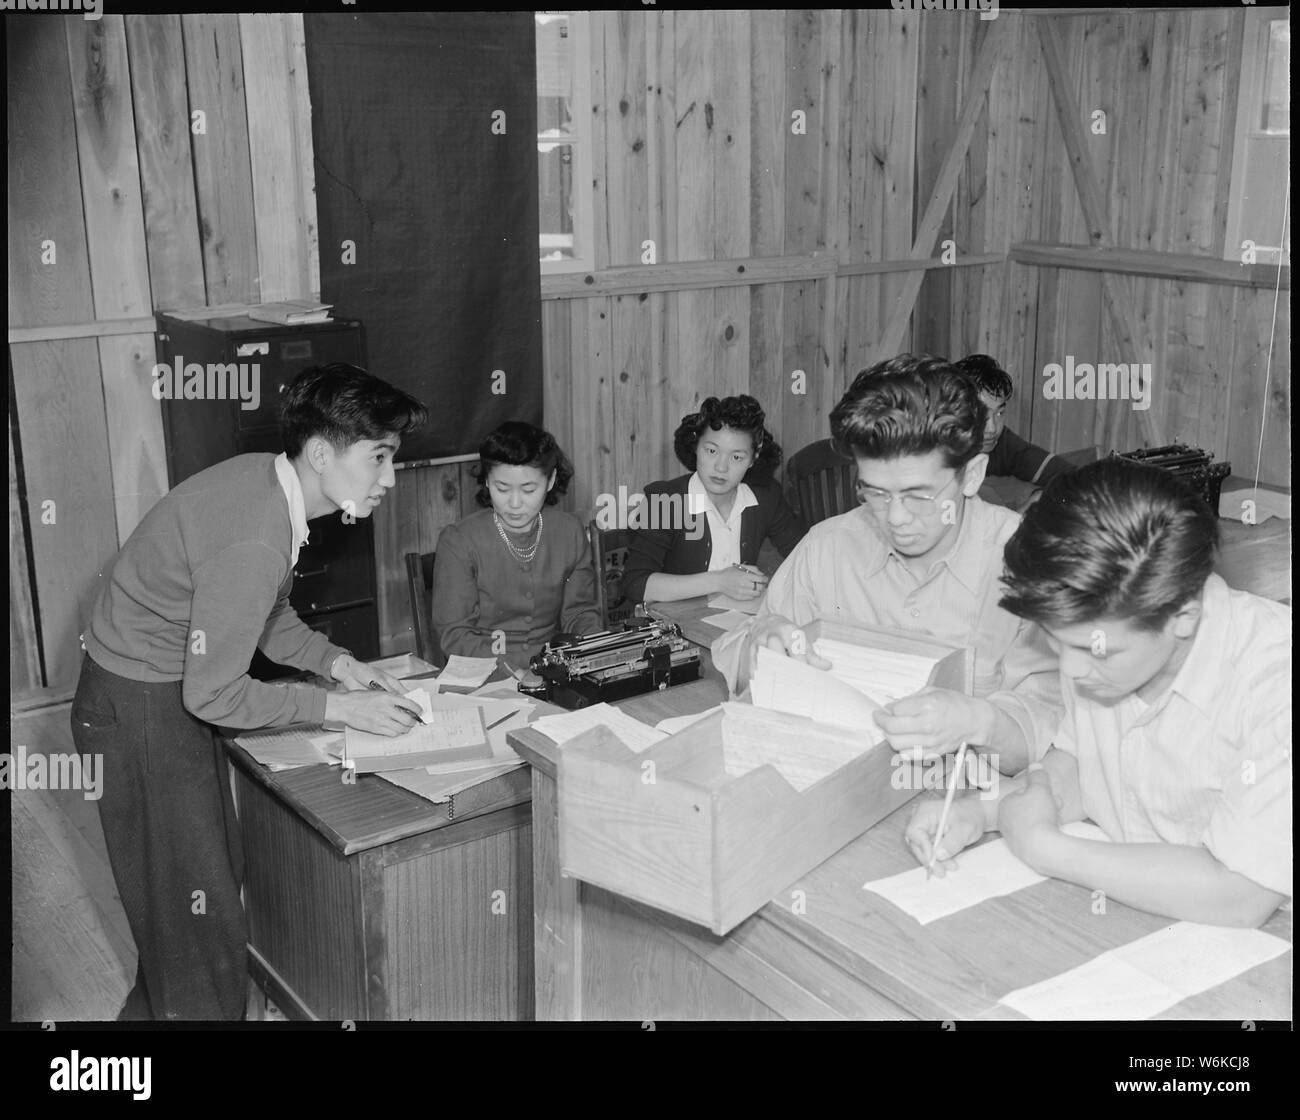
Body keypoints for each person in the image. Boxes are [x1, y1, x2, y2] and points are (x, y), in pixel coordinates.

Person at [71, 363, 429, 1020]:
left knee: (197, 895)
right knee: (194, 922)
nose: (390, 477)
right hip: (141, 708)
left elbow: (264, 613)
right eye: (378, 457)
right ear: (322, 454)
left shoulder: (270, 485)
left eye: (393, 458)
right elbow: (214, 697)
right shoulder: (257, 535)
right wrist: (337, 706)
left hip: (154, 692)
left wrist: (338, 664)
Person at [904, 459, 1291, 928]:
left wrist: (1050, 849)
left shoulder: (1274, 682)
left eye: (1092, 650)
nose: (1069, 668)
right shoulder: (1101, 647)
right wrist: (981, 810)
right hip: (1144, 920)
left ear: (1183, 615)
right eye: (1055, 639)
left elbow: (1240, 894)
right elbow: (1081, 769)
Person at [712, 354, 1062, 775]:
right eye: (875, 493)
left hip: (967, 812)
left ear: (972, 474)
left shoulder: (1028, 565)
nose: (895, 518)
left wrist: (978, 723)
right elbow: (741, 667)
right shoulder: (829, 546)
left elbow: (1050, 734)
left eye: (917, 495)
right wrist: (759, 643)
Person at [432, 421, 600, 667]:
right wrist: (517, 670)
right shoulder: (459, 541)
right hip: (482, 674)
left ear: (551, 480)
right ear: (487, 481)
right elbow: (455, 636)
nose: (514, 503)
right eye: (502, 488)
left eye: (529, 490)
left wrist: (596, 652)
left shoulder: (569, 531)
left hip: (553, 668)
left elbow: (580, 613)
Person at [621, 395, 807, 605]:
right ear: (695, 447)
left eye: (736, 457)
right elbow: (635, 584)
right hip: (674, 627)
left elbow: (805, 553)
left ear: (753, 459)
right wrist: (720, 581)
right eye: (711, 451)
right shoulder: (664, 500)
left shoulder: (765, 495)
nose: (721, 467)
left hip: (736, 623)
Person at [955, 353, 1076, 488]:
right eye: (981, 415)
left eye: (999, 413)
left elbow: (1070, 477)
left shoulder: (1001, 444)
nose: (992, 428)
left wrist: (1041, 497)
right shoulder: (936, 449)